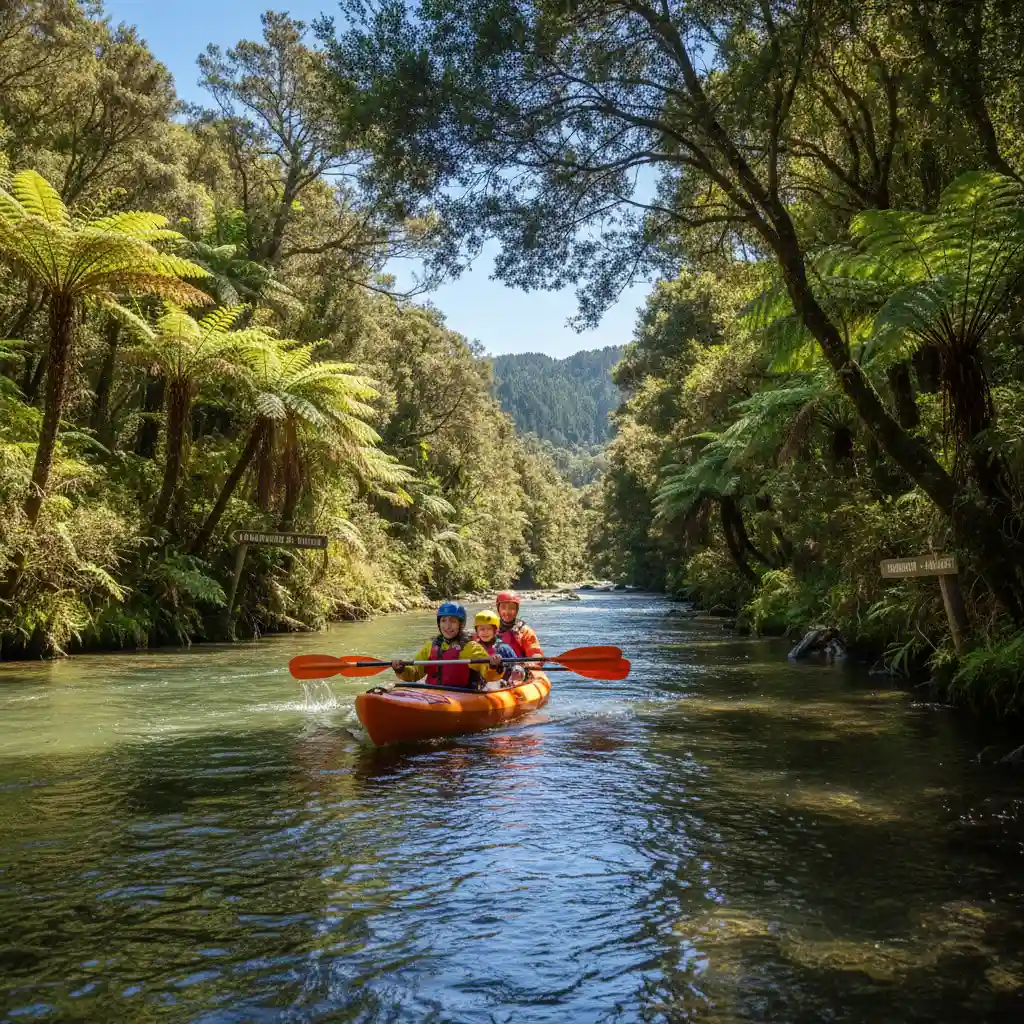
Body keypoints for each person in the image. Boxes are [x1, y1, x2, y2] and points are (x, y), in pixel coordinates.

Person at [391, 602, 504, 690]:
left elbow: (489, 675)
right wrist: (401, 669)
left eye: (453, 621)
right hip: (433, 694)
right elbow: (414, 674)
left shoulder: (470, 647)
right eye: (443, 620)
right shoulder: (431, 646)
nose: (447, 626)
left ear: (461, 624)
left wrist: (493, 667)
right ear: (439, 623)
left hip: (462, 695)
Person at [473, 610, 525, 686]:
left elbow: (516, 664)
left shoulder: (503, 648)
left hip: (502, 685)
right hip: (481, 686)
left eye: (489, 629)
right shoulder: (474, 648)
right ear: (477, 631)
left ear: (495, 630)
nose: (485, 632)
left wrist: (517, 671)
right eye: (482, 629)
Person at [495, 591, 544, 669]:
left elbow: (534, 651)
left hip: (519, 670)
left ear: (516, 610)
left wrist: (533, 661)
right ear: (498, 609)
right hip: (496, 669)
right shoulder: (491, 629)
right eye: (503, 608)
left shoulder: (525, 631)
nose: (507, 612)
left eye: (511, 608)